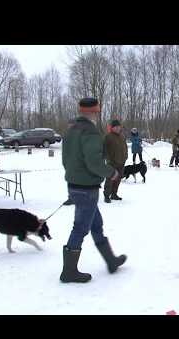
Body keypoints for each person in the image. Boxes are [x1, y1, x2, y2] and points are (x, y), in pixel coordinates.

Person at [60, 97, 126, 283]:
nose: (98, 114)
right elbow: (94, 162)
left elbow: (66, 160)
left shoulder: (71, 130)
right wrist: (111, 173)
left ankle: (111, 260)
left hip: (75, 185)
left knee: (96, 224)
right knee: (80, 228)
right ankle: (69, 271)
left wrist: (74, 174)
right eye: (97, 111)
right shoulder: (90, 132)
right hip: (86, 188)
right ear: (93, 112)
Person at [104, 119, 128, 202]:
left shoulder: (122, 136)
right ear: (112, 128)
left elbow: (125, 147)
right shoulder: (108, 137)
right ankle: (107, 195)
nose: (118, 128)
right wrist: (108, 160)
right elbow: (105, 150)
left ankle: (114, 194)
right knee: (110, 179)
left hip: (121, 162)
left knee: (118, 179)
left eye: (119, 126)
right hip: (112, 162)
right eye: (116, 127)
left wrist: (126, 156)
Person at [62, 118, 77, 206]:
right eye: (70, 125)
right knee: (70, 181)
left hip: (79, 163)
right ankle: (71, 198)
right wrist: (65, 163)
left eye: (73, 125)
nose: (71, 126)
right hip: (70, 163)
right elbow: (64, 152)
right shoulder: (66, 136)